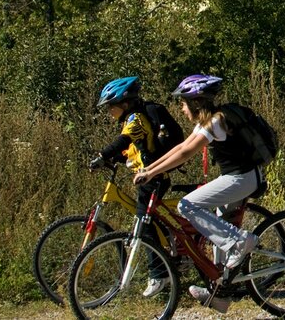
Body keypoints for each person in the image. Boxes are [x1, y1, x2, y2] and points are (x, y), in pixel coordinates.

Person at [133, 74, 261, 314]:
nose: (181, 108)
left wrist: (151, 174)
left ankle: (241, 242)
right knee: (218, 229)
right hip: (239, 176)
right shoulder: (208, 122)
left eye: (183, 103)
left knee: (187, 206)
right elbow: (179, 147)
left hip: (241, 178)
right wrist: (149, 169)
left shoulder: (215, 122)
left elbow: (186, 154)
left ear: (196, 102)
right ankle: (221, 294)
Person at [90, 76, 172, 297]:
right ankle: (168, 256)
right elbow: (134, 147)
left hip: (153, 176)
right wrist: (113, 158)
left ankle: (159, 274)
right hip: (147, 175)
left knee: (143, 223)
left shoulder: (136, 118)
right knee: (148, 220)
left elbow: (124, 140)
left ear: (124, 104)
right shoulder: (134, 118)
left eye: (110, 107)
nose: (109, 112)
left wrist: (103, 155)